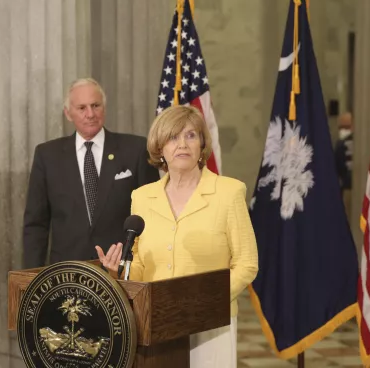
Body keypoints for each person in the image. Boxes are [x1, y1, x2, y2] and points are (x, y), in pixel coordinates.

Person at [96, 105, 258, 367]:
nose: (182, 144)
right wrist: (120, 270)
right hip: (156, 324)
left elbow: (247, 263)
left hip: (210, 325)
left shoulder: (229, 192)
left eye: (191, 136)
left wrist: (204, 304)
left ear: (202, 145)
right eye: (173, 137)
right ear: (160, 148)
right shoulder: (142, 197)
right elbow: (140, 265)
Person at [22, 78, 161, 269]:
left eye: (95, 105)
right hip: (67, 275)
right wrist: (31, 278)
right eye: (82, 108)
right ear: (68, 113)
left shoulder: (135, 150)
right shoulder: (47, 156)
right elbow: (36, 225)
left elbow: (152, 215)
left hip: (121, 270)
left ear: (104, 108)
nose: (90, 114)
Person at [334, 112, 353, 218]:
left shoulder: (341, 144)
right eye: (342, 127)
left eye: (346, 127)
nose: (344, 130)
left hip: (347, 188)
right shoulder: (364, 142)